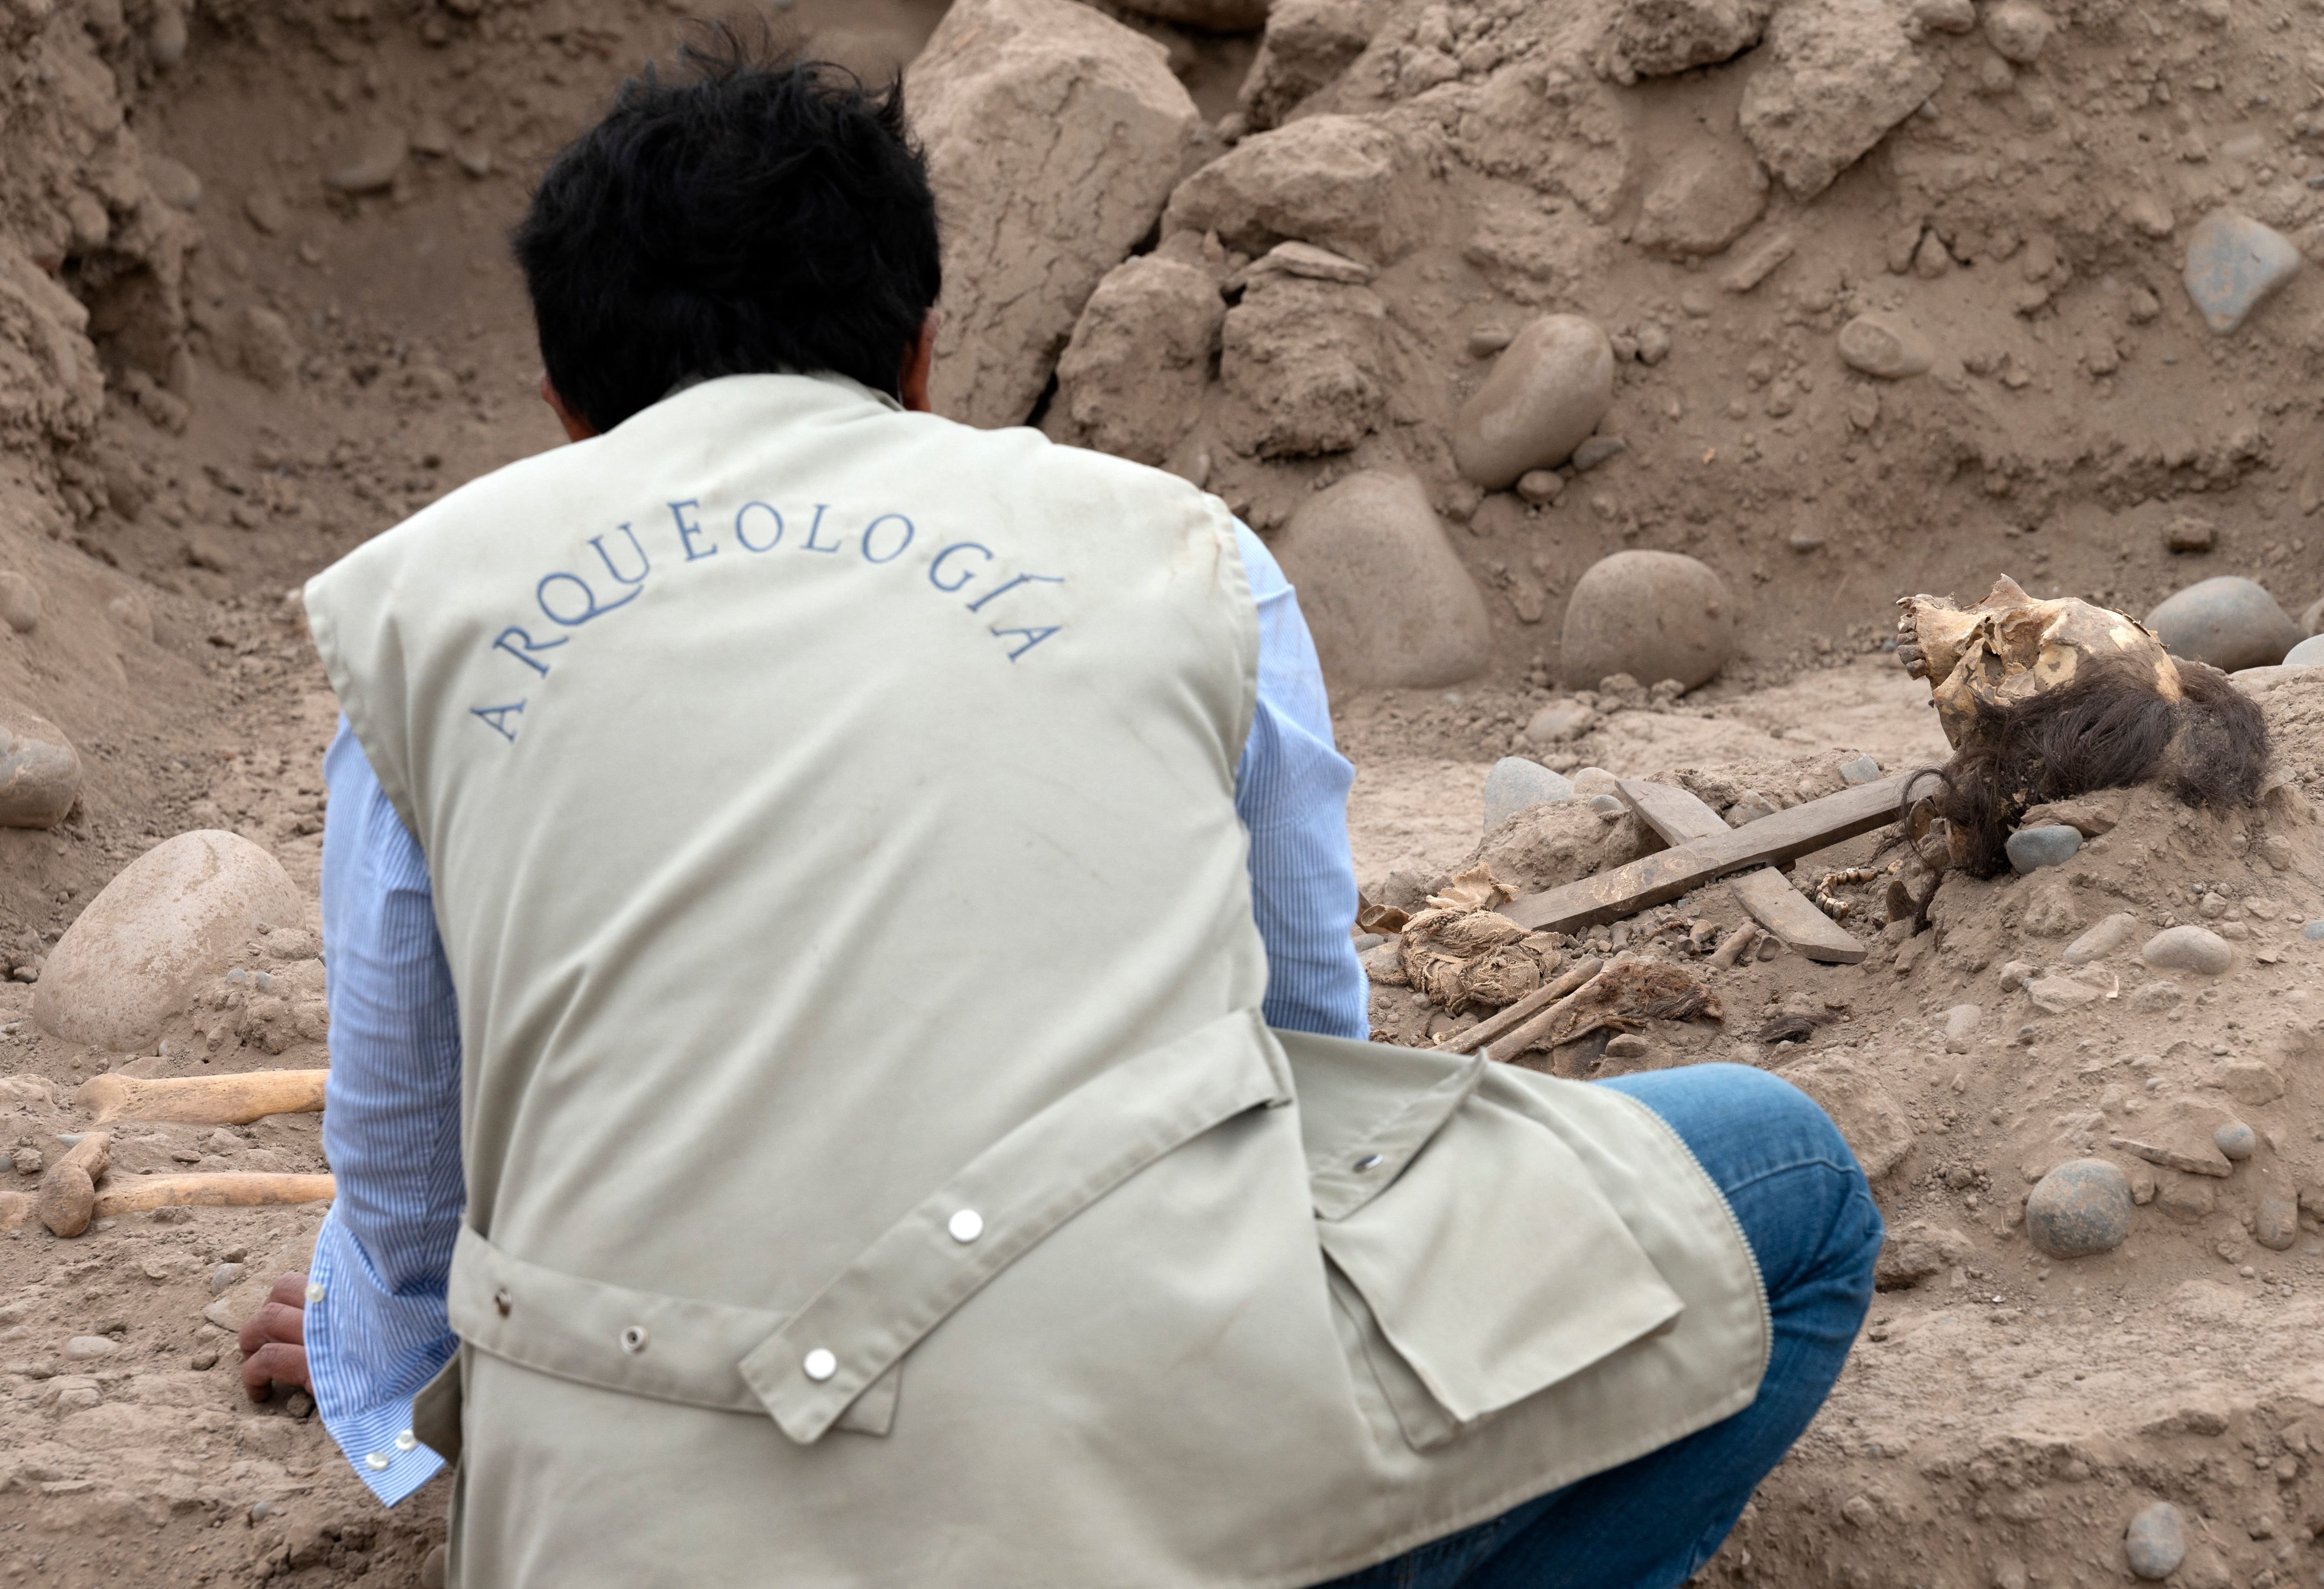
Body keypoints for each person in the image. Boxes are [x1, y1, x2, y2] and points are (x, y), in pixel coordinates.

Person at [241, 29, 1881, 1588]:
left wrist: (364, 1362)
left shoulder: (419, 615)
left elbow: (406, 1182)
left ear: (562, 410)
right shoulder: (1179, 552)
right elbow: (1308, 1042)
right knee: (1788, 1188)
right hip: (1141, 1494)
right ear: (922, 351)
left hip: (606, 1534)